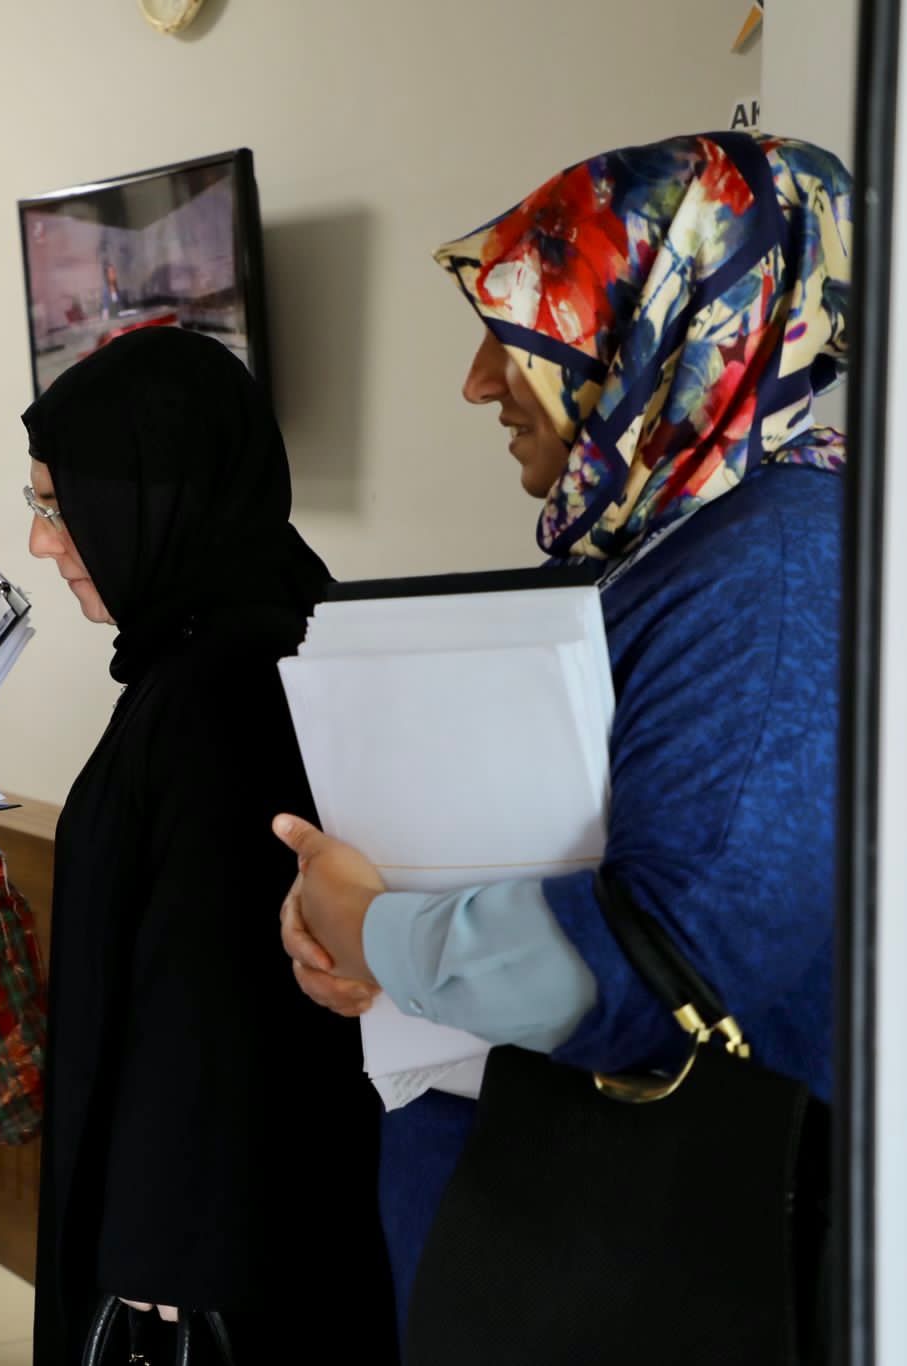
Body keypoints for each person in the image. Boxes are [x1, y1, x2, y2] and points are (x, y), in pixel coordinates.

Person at [275, 134, 851, 1331]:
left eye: (523, 330)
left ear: (653, 323)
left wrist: (377, 929)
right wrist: (354, 921)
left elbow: (671, 960)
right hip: (562, 1209)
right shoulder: (675, 540)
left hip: (648, 1248)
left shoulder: (771, 566)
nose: (478, 381)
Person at [20, 326, 396, 1364]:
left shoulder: (222, 685)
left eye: (59, 506)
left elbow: (211, 991)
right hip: (237, 1215)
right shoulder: (230, 636)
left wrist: (160, 1255)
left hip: (211, 1244)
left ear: (155, 494)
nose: (43, 543)